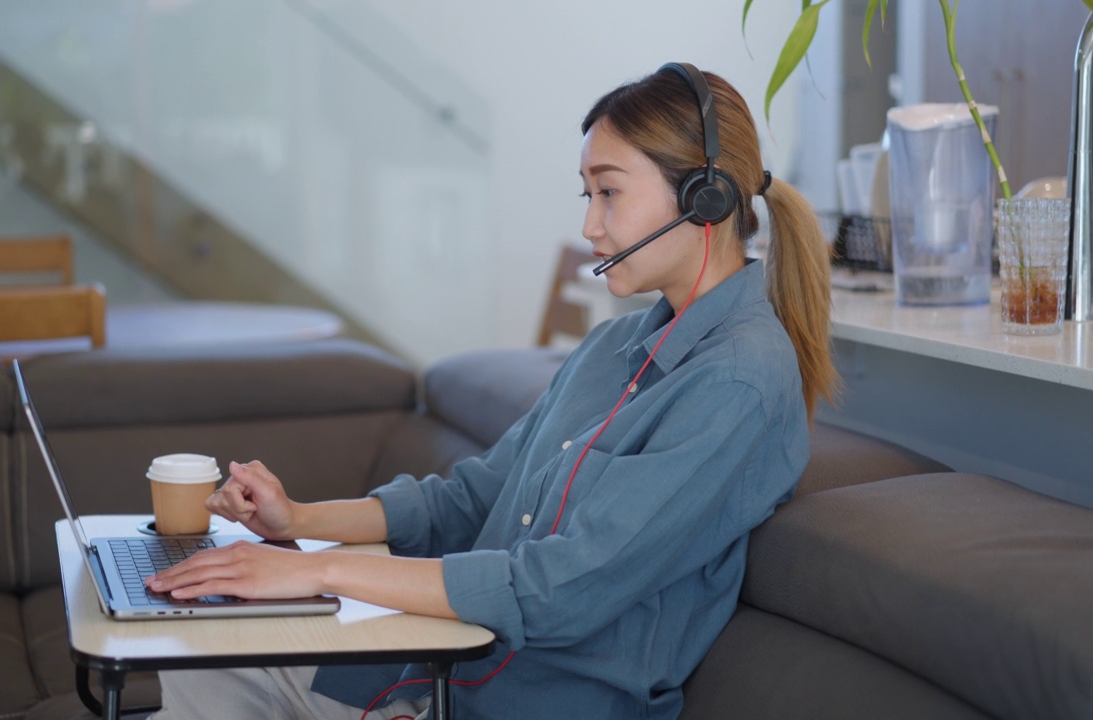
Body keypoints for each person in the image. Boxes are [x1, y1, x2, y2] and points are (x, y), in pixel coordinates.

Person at [147, 63, 837, 720]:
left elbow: (555, 590)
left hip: (524, 704)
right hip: (427, 677)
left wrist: (317, 574)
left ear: (702, 197)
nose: (590, 226)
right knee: (201, 648)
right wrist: (298, 522)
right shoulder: (610, 350)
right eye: (586, 195)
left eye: (609, 191)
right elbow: (470, 498)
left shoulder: (738, 382)